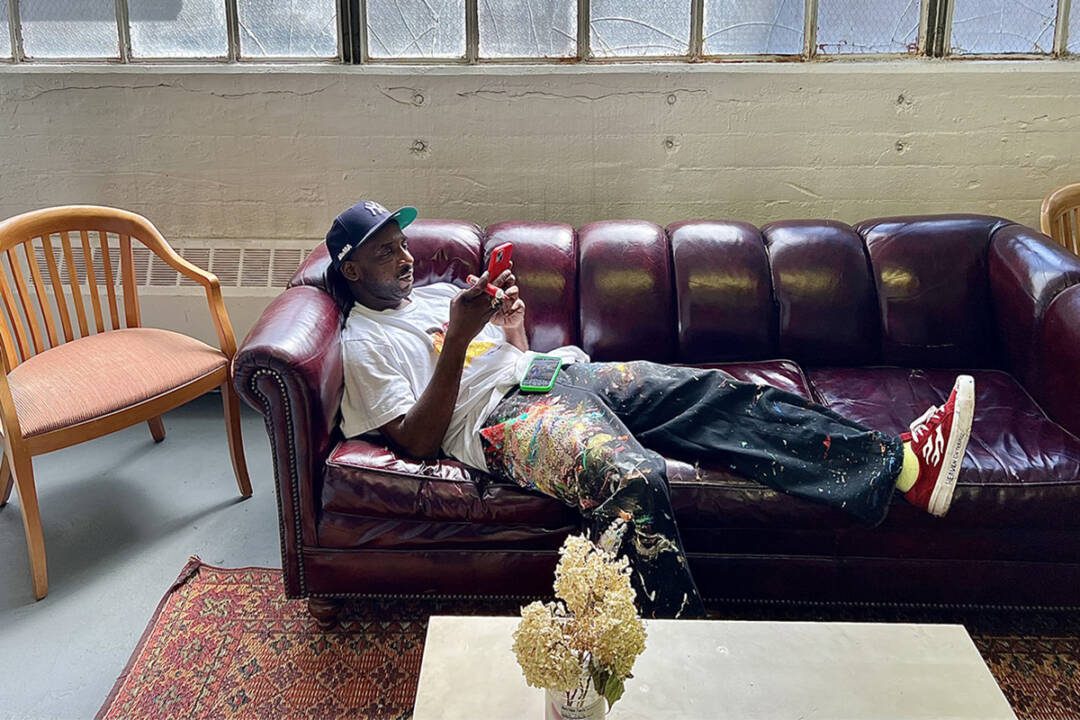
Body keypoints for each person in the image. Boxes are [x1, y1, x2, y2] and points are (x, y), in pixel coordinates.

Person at [328, 200, 975, 620]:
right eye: (385, 251)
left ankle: (900, 468)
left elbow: (509, 359)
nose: (405, 257)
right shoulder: (363, 343)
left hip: (555, 374)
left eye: (402, 243)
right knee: (632, 478)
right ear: (351, 270)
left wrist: (513, 327)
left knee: (715, 392)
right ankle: (674, 651)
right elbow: (416, 441)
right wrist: (460, 340)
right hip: (505, 422)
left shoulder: (436, 293)